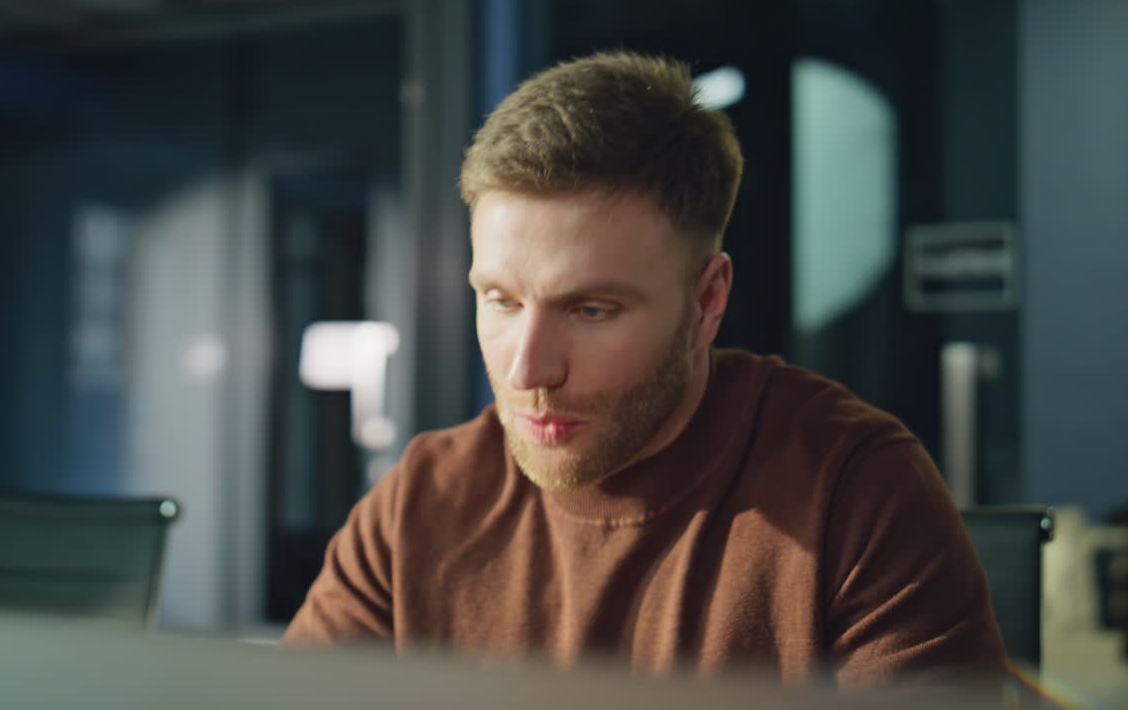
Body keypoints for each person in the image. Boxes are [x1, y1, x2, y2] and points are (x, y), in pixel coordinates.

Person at [282, 51, 1008, 689]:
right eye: (500, 300)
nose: (529, 367)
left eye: (591, 309)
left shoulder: (855, 493)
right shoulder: (422, 504)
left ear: (707, 300)